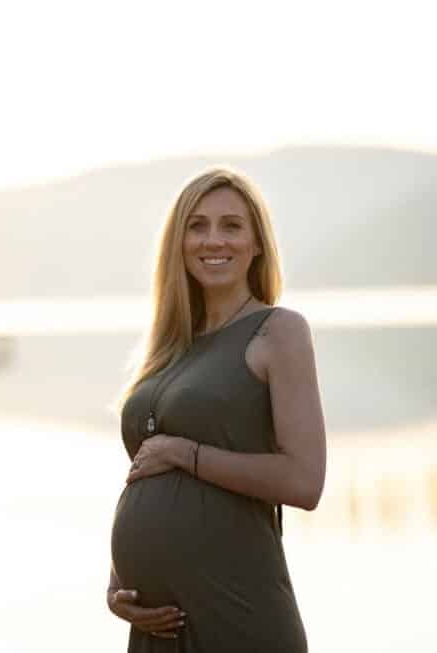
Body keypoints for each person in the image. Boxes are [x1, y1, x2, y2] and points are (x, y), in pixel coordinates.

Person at [106, 165, 327, 651]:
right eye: (197, 226)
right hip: (157, 627)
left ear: (257, 243)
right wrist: (118, 580)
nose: (213, 240)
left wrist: (185, 453)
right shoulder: (169, 346)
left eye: (231, 226)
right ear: (178, 243)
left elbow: (305, 481)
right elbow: (144, 473)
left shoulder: (279, 331)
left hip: (238, 613)